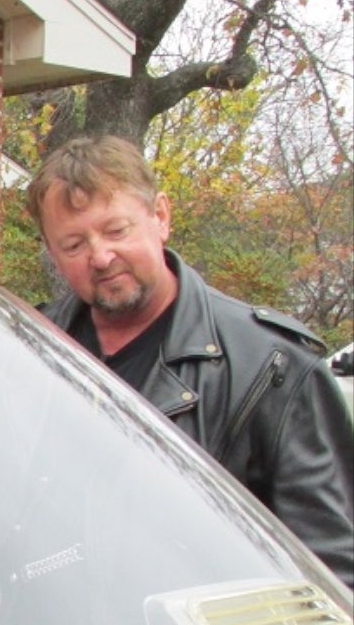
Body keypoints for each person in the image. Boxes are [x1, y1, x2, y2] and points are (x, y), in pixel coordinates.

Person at [27, 134, 354, 590]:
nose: (100, 256)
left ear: (160, 216)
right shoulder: (29, 348)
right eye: (74, 244)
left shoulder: (273, 367)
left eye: (116, 231)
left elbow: (332, 572)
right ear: (52, 253)